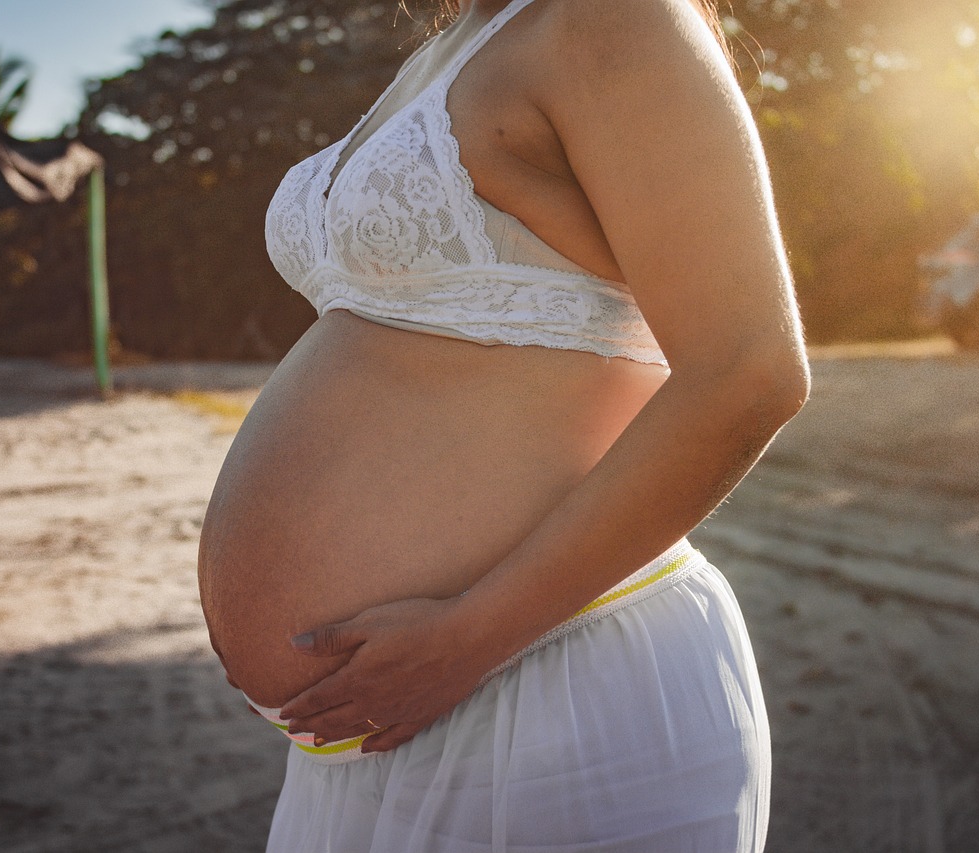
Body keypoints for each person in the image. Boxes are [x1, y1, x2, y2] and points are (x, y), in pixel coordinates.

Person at [196, 0, 809, 849]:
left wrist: (469, 637)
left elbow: (749, 372)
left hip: (556, 683)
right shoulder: (452, 45)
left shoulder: (610, 20)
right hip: (374, 728)